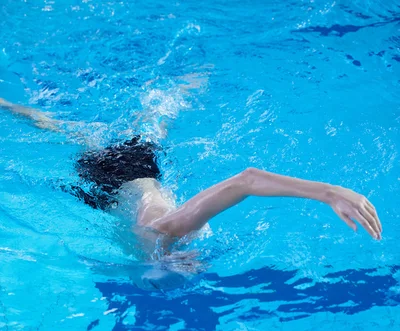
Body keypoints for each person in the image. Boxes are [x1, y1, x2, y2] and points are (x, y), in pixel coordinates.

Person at [0, 96, 382, 254]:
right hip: (120, 177)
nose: (195, 263)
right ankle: (170, 99)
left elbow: (245, 181)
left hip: (116, 186)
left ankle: (169, 101)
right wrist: (328, 192)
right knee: (83, 134)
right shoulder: (171, 230)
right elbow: (246, 179)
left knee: (72, 132)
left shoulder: (167, 238)